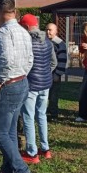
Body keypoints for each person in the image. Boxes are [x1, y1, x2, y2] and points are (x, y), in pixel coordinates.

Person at [0, 0, 35, 173]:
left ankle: (22, 172)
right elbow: (30, 59)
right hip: (21, 82)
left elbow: (7, 60)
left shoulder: (4, 33)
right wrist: (21, 75)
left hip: (7, 86)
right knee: (10, 132)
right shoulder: (23, 32)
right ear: (14, 12)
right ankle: (8, 171)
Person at [20, 14, 57, 164]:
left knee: (28, 117)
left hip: (31, 84)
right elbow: (53, 62)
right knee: (41, 115)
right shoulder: (48, 41)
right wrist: (46, 74)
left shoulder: (27, 42)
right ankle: (45, 148)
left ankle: (31, 152)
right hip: (45, 84)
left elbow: (24, 64)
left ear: (27, 27)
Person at [46, 23, 67, 121]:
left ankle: (54, 114)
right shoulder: (45, 41)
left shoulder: (59, 43)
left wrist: (58, 74)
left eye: (50, 30)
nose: (48, 32)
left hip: (54, 73)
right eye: (46, 30)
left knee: (54, 95)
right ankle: (47, 112)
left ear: (56, 31)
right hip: (46, 73)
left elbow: (62, 60)